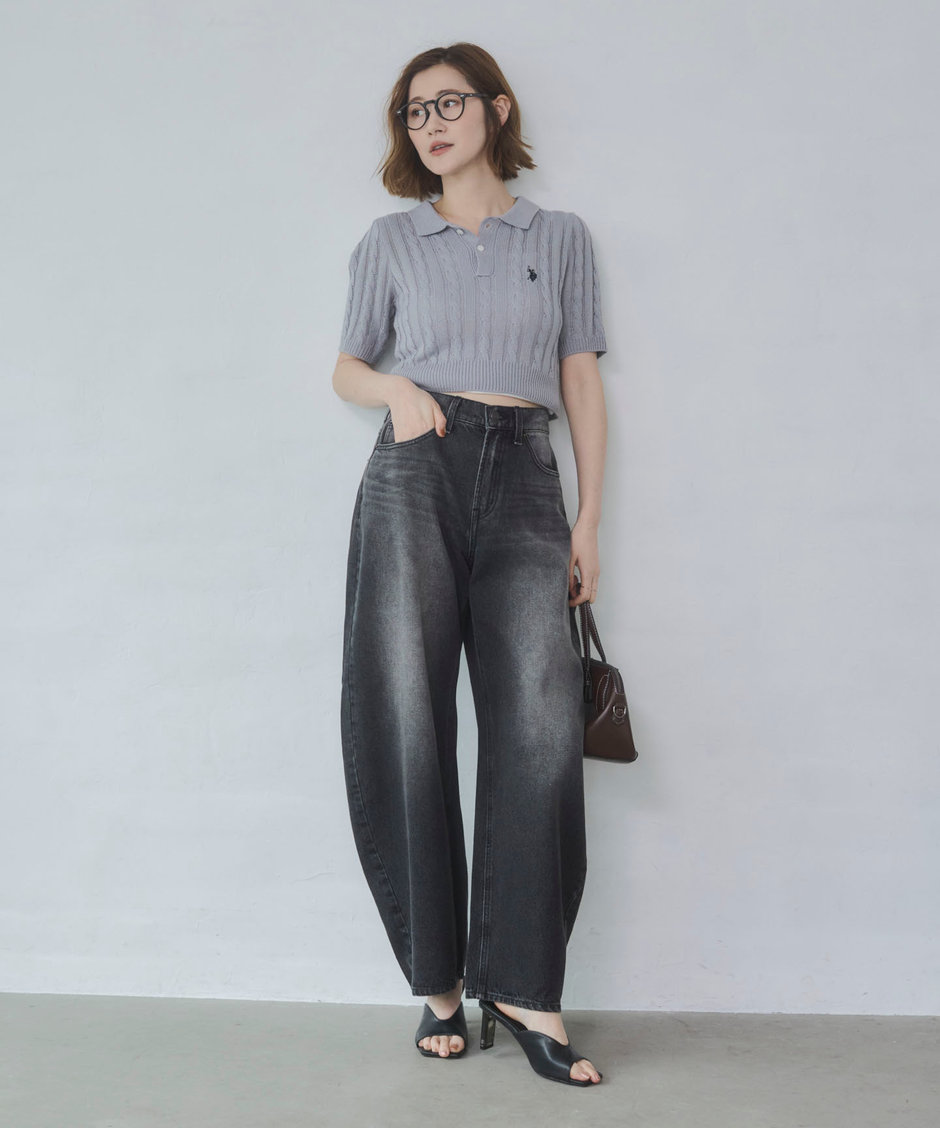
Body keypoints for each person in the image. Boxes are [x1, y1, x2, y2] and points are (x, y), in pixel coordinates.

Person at [331, 41, 608, 1087]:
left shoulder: (561, 237)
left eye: (448, 104)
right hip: (415, 471)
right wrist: (396, 391)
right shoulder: (391, 240)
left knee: (537, 727)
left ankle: (525, 986)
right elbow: (346, 365)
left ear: (496, 108)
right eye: (414, 113)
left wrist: (587, 521)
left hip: (528, 475)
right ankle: (440, 982)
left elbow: (579, 381)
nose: (431, 125)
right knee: (404, 713)